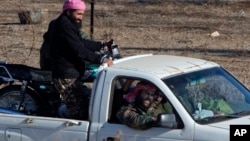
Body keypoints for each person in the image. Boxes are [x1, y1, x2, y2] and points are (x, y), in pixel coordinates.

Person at [42, 0, 113, 120]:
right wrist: (100, 58)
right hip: (65, 73)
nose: (81, 17)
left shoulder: (66, 23)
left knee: (84, 101)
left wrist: (101, 45)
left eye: (82, 14)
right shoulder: (64, 26)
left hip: (71, 71)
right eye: (78, 14)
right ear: (69, 12)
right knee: (77, 110)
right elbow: (79, 50)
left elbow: (81, 42)